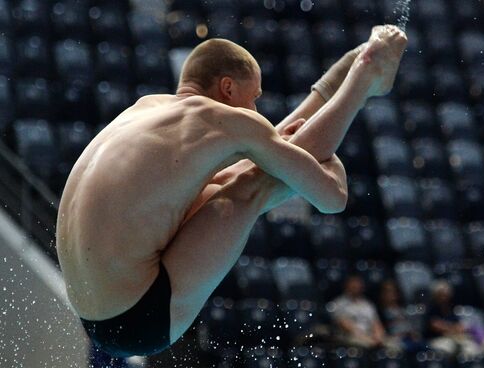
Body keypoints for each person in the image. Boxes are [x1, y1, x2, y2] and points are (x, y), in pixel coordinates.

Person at [55, 25, 407, 357]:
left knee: (235, 176)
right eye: (253, 97)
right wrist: (330, 163)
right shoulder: (231, 122)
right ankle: (365, 76)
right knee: (251, 188)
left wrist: (292, 148)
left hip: (91, 314)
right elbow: (331, 199)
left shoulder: (145, 108)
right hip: (140, 321)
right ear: (227, 88)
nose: (256, 110)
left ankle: (358, 67)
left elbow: (257, 150)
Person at [329, 274, 399, 351]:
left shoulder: (368, 304)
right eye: (353, 284)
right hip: (350, 336)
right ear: (347, 285)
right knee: (363, 344)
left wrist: (379, 337)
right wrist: (366, 338)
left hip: (370, 336)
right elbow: (346, 326)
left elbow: (376, 323)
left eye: (358, 284)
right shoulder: (338, 303)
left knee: (394, 345)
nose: (356, 286)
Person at [426, 281, 481, 358]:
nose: (444, 297)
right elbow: (436, 326)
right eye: (441, 295)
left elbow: (458, 326)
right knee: (448, 348)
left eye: (446, 294)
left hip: (454, 338)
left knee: (472, 348)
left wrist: (455, 328)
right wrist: (452, 328)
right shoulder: (431, 309)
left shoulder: (451, 309)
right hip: (437, 339)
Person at [377, 280, 427, 353]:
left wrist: (413, 334)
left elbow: (411, 327)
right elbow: (382, 331)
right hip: (395, 340)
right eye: (388, 292)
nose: (392, 294)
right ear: (382, 294)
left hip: (410, 339)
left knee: (425, 347)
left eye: (394, 291)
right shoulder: (380, 312)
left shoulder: (403, 310)